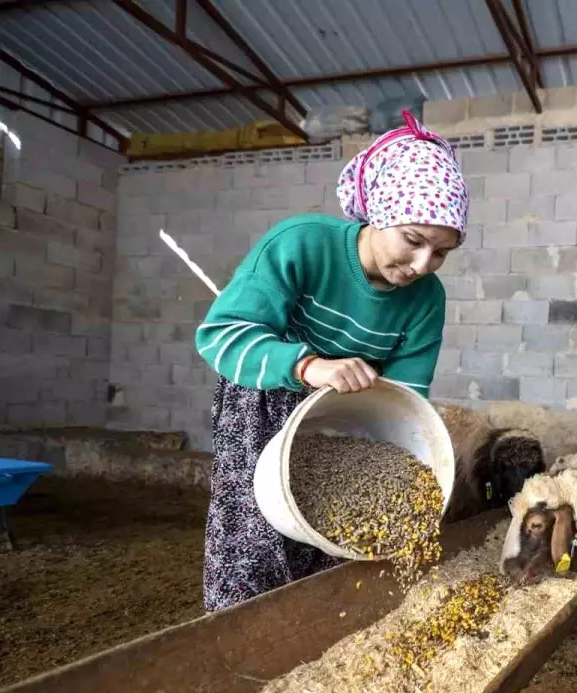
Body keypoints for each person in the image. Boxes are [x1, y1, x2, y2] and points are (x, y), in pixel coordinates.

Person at [193, 111, 468, 612]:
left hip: (348, 424)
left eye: (441, 253)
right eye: (412, 239)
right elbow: (220, 337)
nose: (422, 266)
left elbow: (405, 405)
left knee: (339, 542)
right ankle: (238, 637)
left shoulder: (427, 300)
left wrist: (392, 456)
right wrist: (307, 366)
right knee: (256, 538)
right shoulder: (302, 244)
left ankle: (317, 633)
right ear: (379, 212)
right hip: (262, 401)